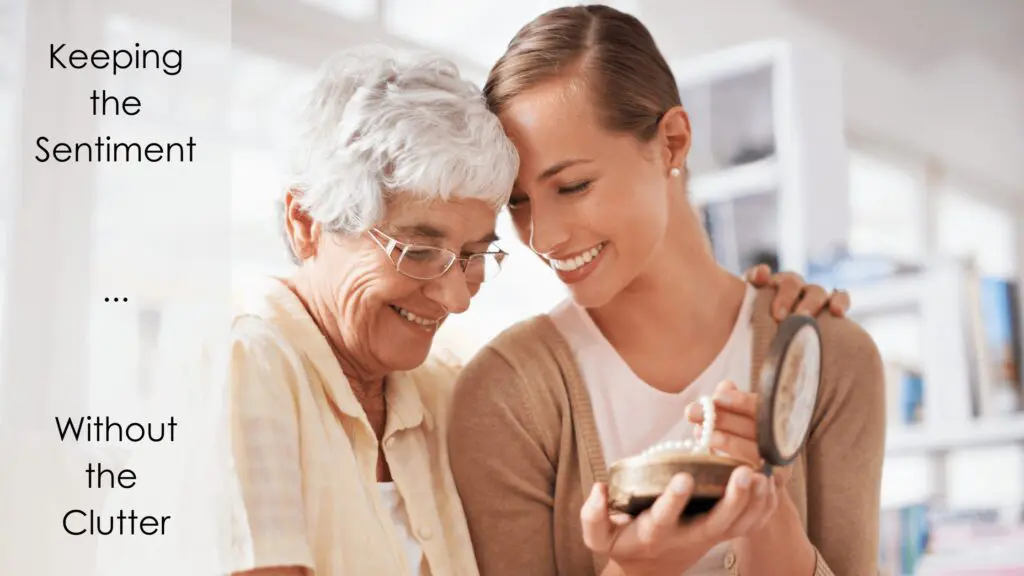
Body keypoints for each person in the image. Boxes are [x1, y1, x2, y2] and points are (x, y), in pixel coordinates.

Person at [448, 5, 883, 576]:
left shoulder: (829, 360)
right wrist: (641, 566)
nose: (542, 237)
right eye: (519, 202)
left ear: (673, 143)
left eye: (573, 185)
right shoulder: (505, 395)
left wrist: (763, 510)